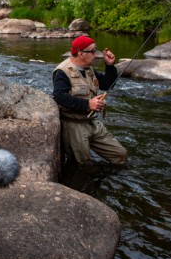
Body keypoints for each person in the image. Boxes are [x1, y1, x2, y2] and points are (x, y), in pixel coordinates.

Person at [52, 35, 127, 165]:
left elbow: (107, 84)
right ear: (81, 53)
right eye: (93, 51)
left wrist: (109, 66)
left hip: (92, 122)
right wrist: (88, 104)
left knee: (120, 154)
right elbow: (59, 96)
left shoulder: (88, 68)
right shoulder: (62, 71)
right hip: (74, 126)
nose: (96, 54)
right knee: (83, 164)